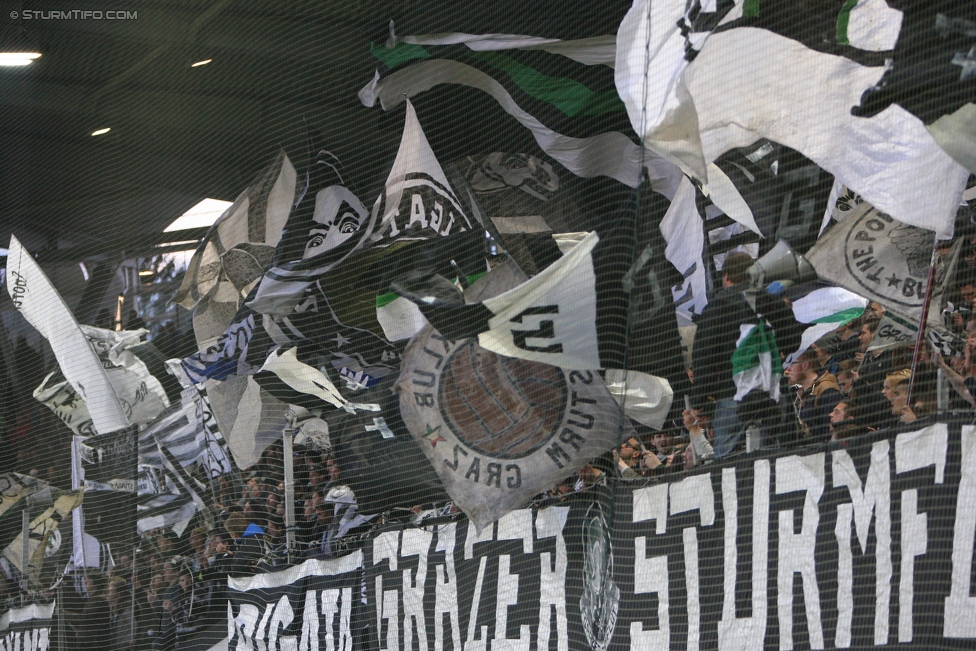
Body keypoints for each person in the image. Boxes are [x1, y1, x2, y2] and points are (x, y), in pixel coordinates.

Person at [691, 252, 801, 457]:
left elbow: (703, 357)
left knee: (727, 466)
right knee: (783, 459)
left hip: (732, 396)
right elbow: (794, 340)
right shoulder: (772, 301)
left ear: (725, 276)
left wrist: (699, 401)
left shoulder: (715, 308)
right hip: (773, 393)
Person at [785, 348, 843, 442]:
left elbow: (829, 431)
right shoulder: (797, 394)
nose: (787, 369)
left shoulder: (827, 389)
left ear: (805, 365)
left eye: (792, 364)